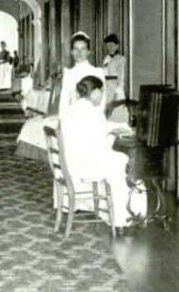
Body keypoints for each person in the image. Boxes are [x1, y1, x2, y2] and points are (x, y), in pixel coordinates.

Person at [59, 76, 147, 228]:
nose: (102, 95)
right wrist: (117, 132)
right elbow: (100, 139)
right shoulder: (91, 111)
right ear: (94, 92)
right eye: (101, 91)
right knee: (126, 164)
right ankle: (124, 218)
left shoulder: (75, 108)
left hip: (73, 162)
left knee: (119, 161)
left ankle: (116, 214)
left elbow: (100, 128)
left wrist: (115, 129)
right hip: (85, 165)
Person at [16, 32, 104, 159]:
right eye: (76, 49)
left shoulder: (97, 72)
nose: (79, 53)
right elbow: (64, 100)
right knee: (33, 126)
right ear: (72, 52)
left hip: (91, 117)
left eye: (83, 49)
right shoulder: (69, 73)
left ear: (89, 52)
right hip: (71, 115)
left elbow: (101, 102)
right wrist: (63, 120)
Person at [102, 33, 129, 123]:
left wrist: (118, 90)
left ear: (117, 46)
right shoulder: (106, 59)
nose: (110, 47)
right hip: (107, 88)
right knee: (107, 113)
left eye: (112, 45)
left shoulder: (121, 59)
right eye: (108, 45)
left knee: (117, 110)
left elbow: (121, 76)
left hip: (116, 88)